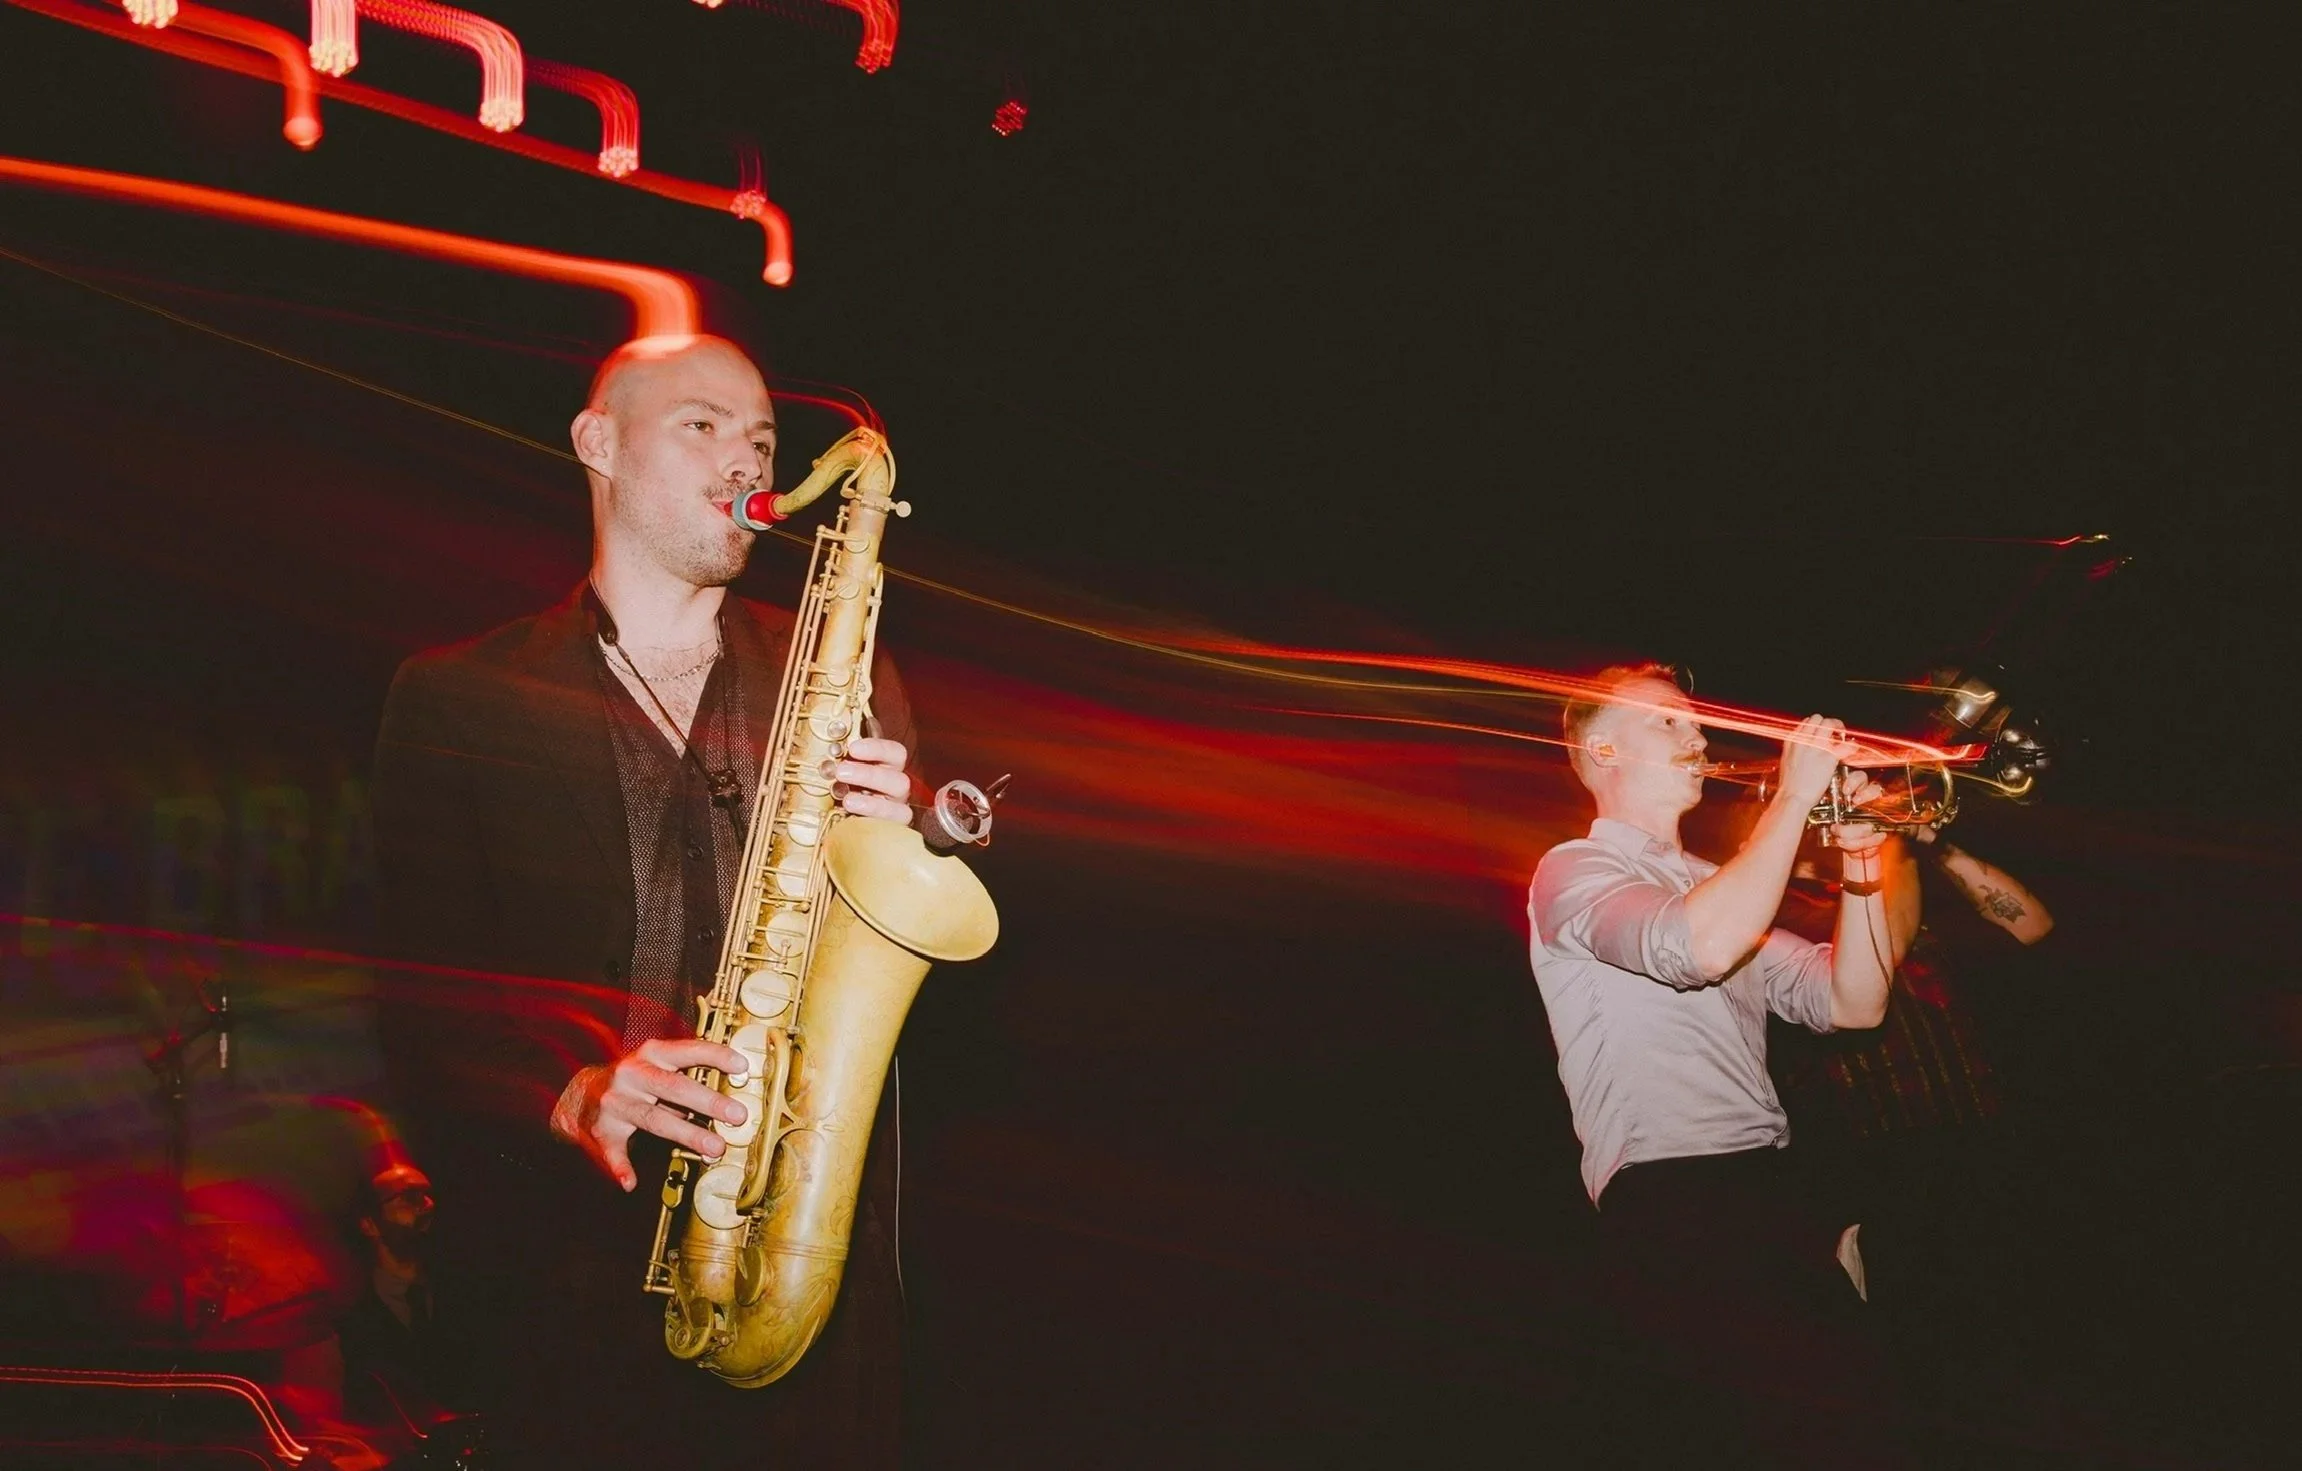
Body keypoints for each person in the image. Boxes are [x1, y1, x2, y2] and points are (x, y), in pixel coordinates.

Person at [372, 334, 917, 1469]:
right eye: (701, 426)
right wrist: (567, 1091)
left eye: (761, 438)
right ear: (598, 441)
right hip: (566, 1284)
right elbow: (416, 996)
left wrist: (905, 835)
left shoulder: (843, 675)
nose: (745, 461)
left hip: (804, 1262)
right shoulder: (458, 696)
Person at [1526, 663, 1917, 1467]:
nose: (1698, 735)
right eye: (1668, 720)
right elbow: (1693, 948)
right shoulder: (1573, 869)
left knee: (1867, 1425)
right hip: (1675, 1196)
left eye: (1694, 720)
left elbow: (1854, 1001)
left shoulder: (1718, 884)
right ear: (1601, 749)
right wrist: (1791, 800)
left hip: (1771, 1184)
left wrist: (1864, 859)